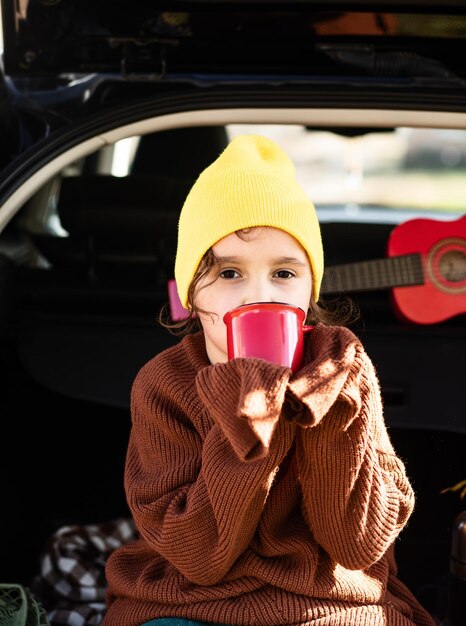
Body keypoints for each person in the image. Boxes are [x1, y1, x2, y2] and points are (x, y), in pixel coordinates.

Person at [103, 134, 435, 626]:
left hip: (329, 600)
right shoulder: (164, 384)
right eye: (230, 273)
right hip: (193, 600)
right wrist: (250, 413)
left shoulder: (342, 370)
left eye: (284, 273)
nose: (259, 294)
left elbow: (357, 543)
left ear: (310, 291)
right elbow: (198, 557)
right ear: (191, 295)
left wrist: (323, 410)